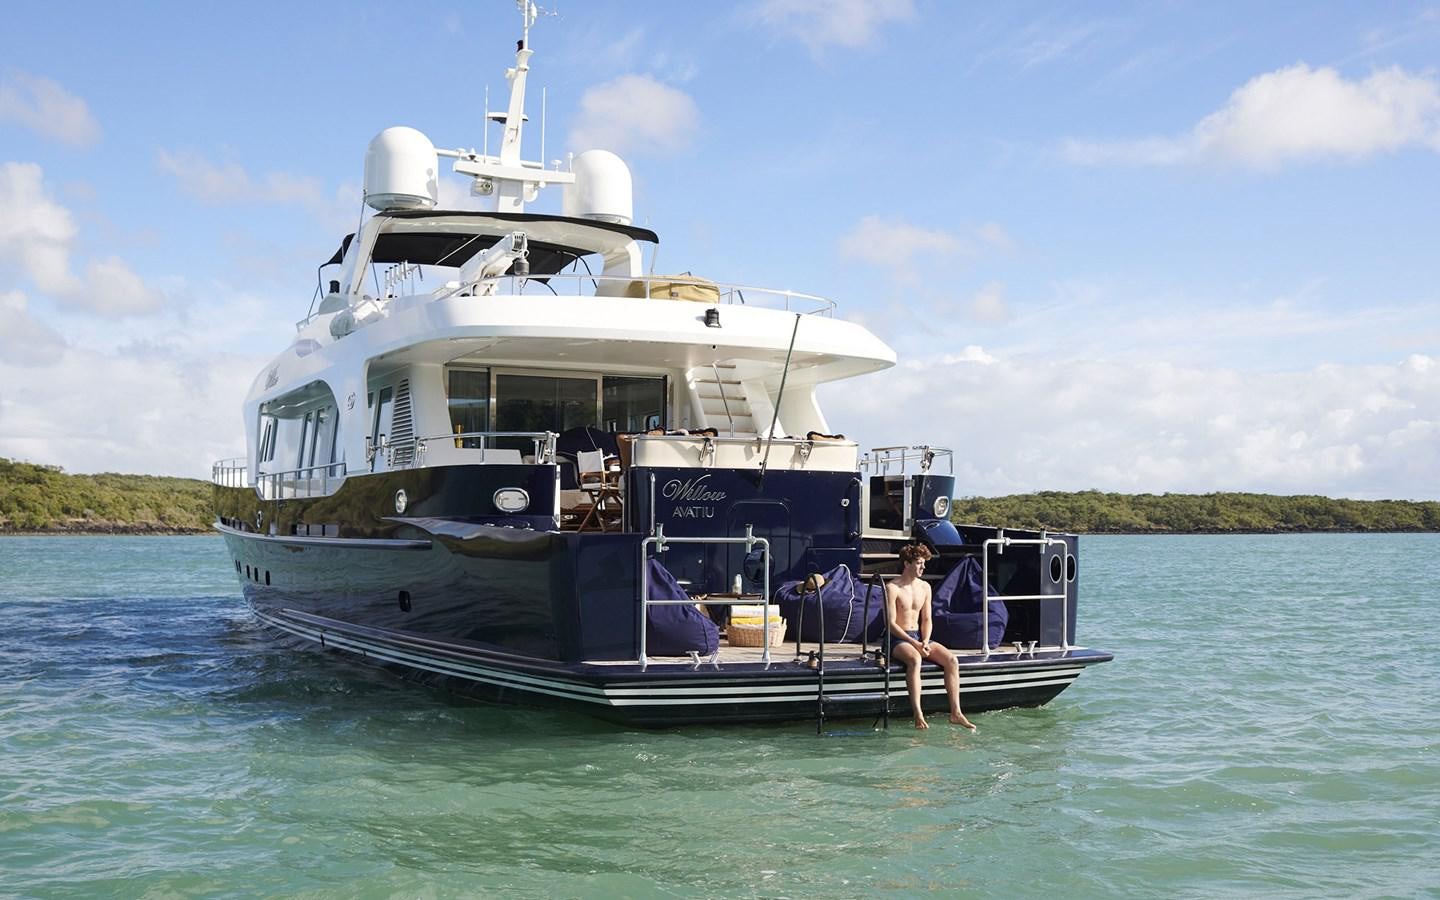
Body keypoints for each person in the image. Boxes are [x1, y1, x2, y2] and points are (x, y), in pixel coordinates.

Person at [885, 543, 976, 731]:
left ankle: (956, 712)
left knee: (952, 660)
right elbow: (891, 624)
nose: (923, 567)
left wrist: (925, 641)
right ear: (907, 564)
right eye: (919, 563)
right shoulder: (892, 588)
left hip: (919, 637)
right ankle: (918, 713)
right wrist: (914, 643)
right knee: (915, 659)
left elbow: (927, 619)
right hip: (898, 639)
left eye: (924, 563)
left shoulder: (925, 587)